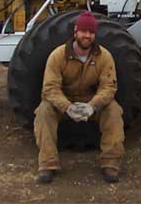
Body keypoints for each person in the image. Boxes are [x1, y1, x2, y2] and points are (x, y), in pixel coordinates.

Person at [33, 11, 124, 184]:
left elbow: (109, 87)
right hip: (64, 103)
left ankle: (111, 163)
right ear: (75, 32)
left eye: (91, 32)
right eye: (83, 31)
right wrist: (67, 107)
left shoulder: (104, 56)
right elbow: (50, 88)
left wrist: (92, 106)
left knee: (114, 111)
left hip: (91, 103)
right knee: (43, 111)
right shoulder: (58, 55)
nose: (87, 36)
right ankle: (47, 163)